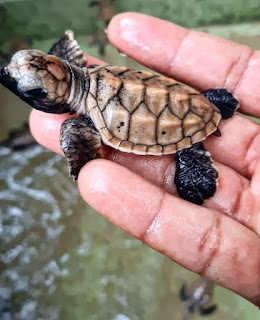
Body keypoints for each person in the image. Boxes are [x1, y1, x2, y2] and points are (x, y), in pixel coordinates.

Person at [29, 13, 260, 307]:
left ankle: (191, 152)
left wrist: (81, 162)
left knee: (190, 181)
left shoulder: (78, 124)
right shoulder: (88, 72)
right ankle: (209, 107)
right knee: (145, 95)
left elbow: (84, 156)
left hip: (176, 127)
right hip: (188, 97)